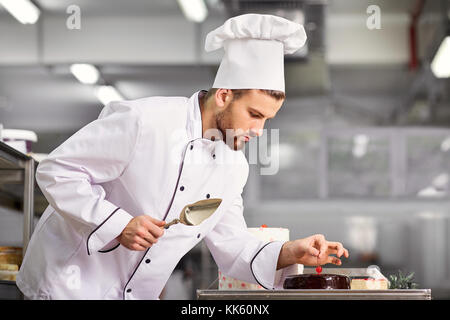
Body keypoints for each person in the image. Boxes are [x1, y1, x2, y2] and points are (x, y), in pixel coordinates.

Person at [16, 14, 349, 300]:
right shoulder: (145, 121)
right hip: (63, 287)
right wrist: (119, 225)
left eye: (267, 120)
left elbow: (232, 247)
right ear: (223, 95)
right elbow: (57, 171)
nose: (259, 131)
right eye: (254, 114)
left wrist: (291, 252)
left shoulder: (232, 168)